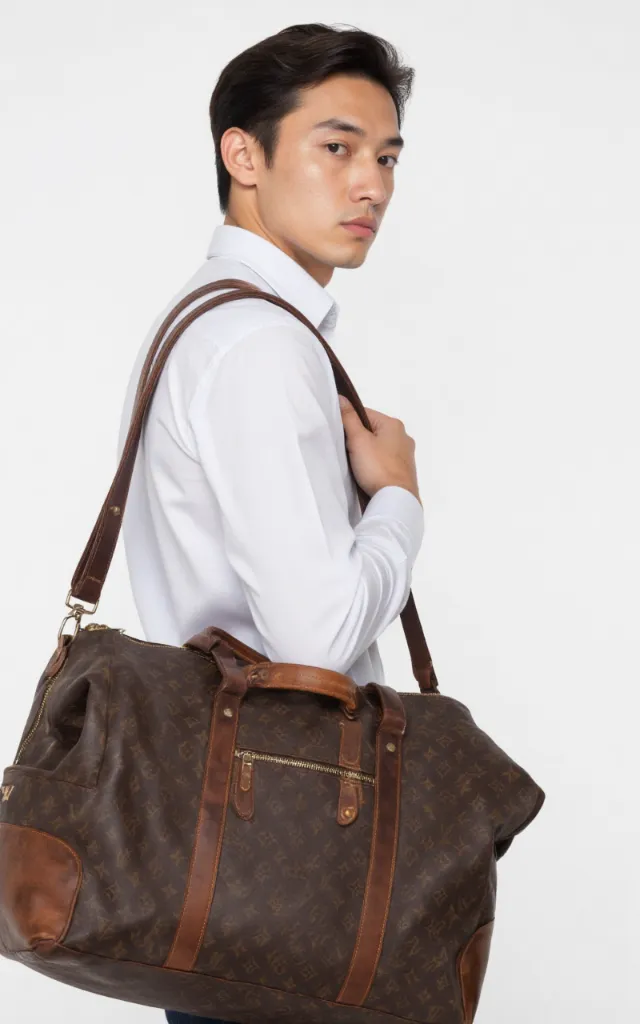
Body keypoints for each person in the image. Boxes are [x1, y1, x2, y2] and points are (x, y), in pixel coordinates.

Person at [116, 21, 422, 1024]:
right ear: (241, 155)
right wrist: (398, 500)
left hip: (220, 840)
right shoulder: (258, 343)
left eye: (384, 156)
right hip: (284, 857)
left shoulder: (199, 319)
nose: (370, 185)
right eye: (335, 149)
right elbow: (316, 638)